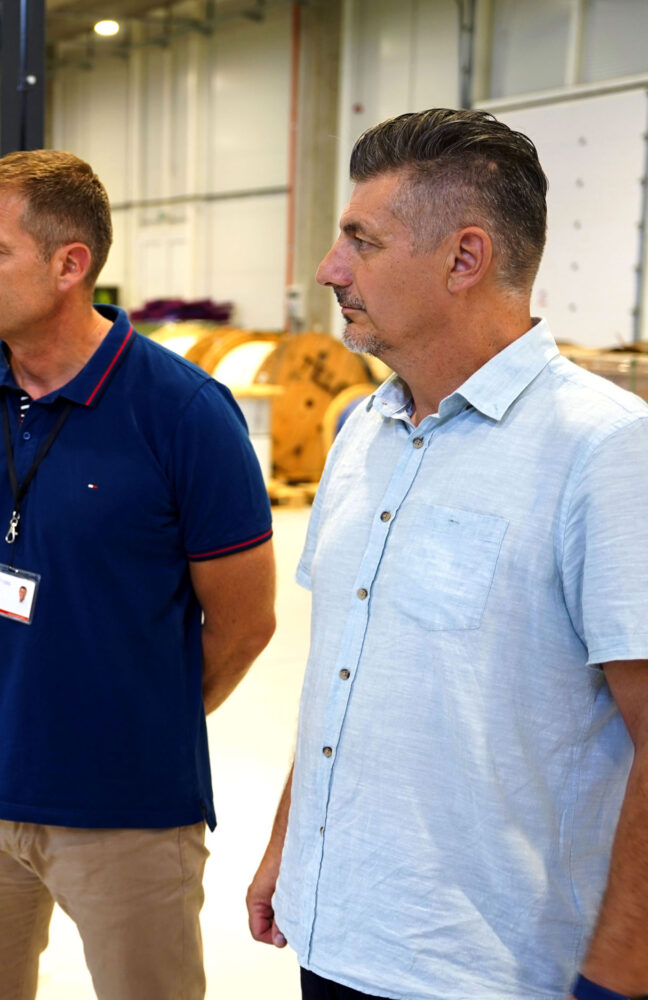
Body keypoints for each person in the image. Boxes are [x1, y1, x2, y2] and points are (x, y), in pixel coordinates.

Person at [246, 108, 648, 1000]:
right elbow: (344, 671)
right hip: (333, 938)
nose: (330, 269)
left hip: (489, 973)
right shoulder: (364, 430)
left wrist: (620, 973)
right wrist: (288, 844)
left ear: (465, 259)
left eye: (361, 241)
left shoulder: (606, 451)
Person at [0, 149, 277, 999]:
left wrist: (133, 718)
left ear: (69, 264)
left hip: (127, 813)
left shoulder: (184, 414)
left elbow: (245, 623)